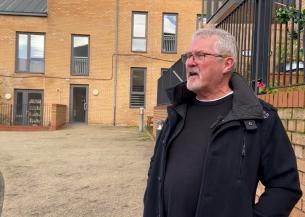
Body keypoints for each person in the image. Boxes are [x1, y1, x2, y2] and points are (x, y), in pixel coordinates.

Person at [143, 28, 302, 217]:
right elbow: (156, 168)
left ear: (227, 64)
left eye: (200, 55)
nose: (189, 62)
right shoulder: (177, 112)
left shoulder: (259, 118)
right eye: (188, 56)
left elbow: (284, 186)